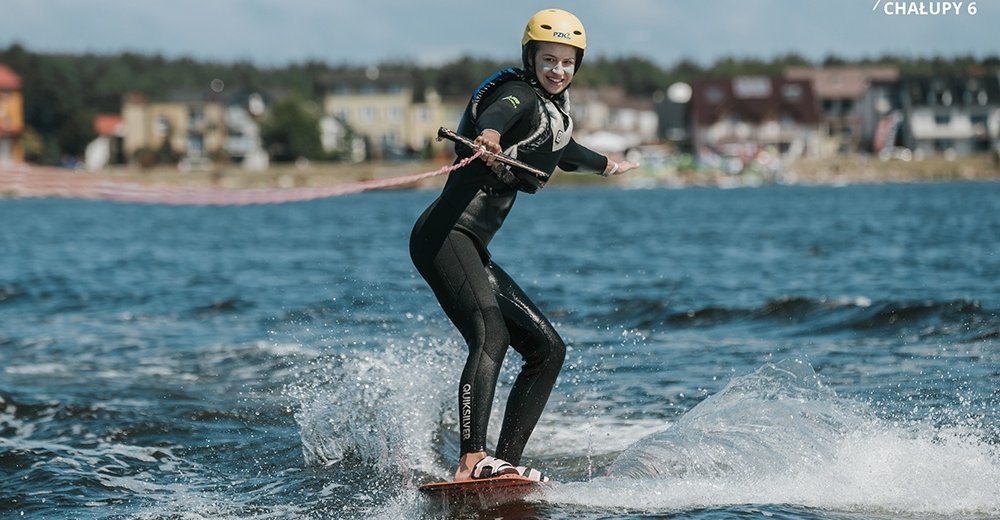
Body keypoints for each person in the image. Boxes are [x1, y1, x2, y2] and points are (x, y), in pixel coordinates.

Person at [409, 8, 639, 482]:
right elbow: (500, 113)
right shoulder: (519, 94)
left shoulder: (551, 114)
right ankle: (471, 461)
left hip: (470, 245)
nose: (558, 70)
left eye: (567, 62)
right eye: (548, 59)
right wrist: (489, 135)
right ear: (530, 57)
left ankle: (503, 465)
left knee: (547, 350)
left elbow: (564, 152)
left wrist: (607, 165)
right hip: (445, 234)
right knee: (490, 334)